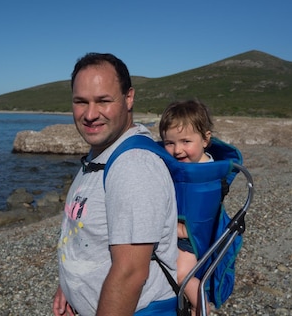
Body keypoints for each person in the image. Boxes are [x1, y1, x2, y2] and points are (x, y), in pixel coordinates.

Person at [53, 53, 178, 316]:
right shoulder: (101, 154)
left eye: (103, 101)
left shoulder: (133, 166)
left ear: (128, 98)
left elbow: (130, 273)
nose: (90, 114)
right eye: (80, 102)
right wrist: (70, 283)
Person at [158, 100, 214, 316]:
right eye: (169, 143)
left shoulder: (204, 175)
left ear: (206, 139)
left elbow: (199, 220)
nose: (177, 150)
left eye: (186, 141)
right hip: (184, 231)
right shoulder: (193, 164)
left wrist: (174, 228)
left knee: (182, 274)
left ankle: (200, 307)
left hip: (189, 238)